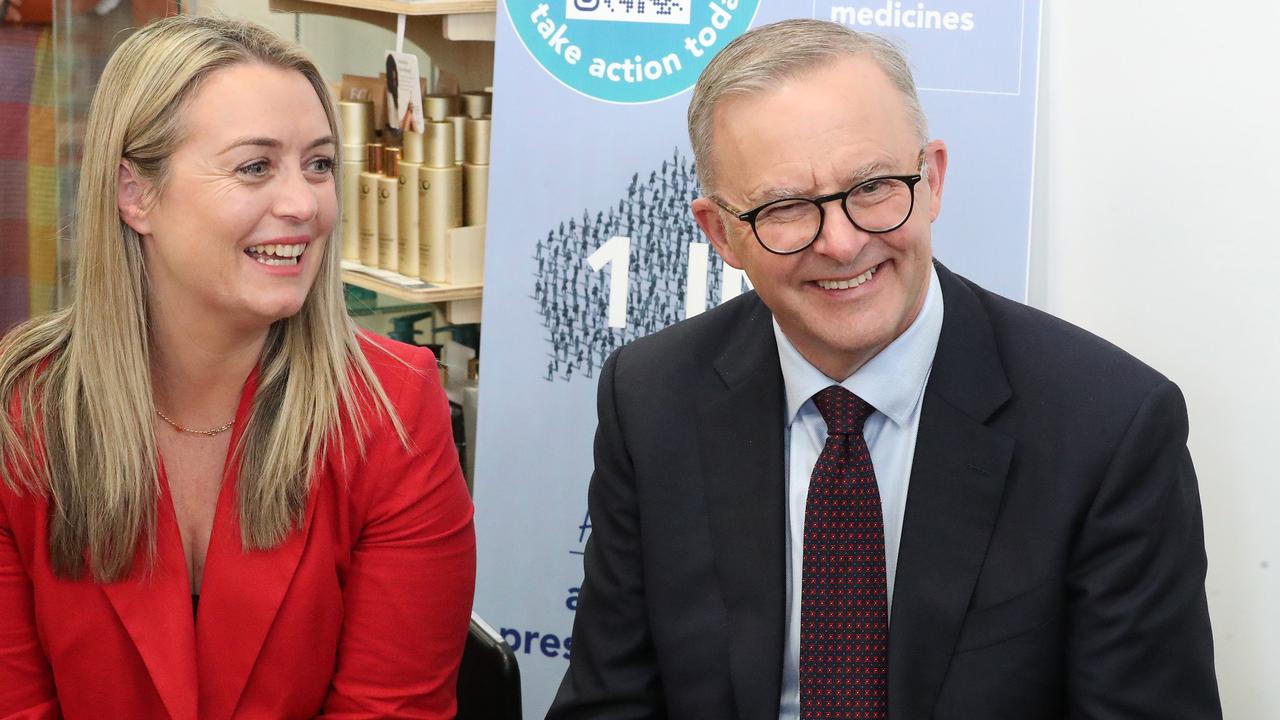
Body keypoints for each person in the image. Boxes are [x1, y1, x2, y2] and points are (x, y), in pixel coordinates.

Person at [549, 19, 1221, 720]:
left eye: (872, 188)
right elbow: (610, 703)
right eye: (785, 208)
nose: (841, 244)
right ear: (722, 234)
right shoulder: (651, 397)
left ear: (932, 179)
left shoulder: (1107, 426)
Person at [0, 15, 475, 719]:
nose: (303, 205)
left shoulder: (392, 408)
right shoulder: (23, 411)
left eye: (318, 164)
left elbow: (391, 708)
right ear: (136, 195)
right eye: (255, 166)